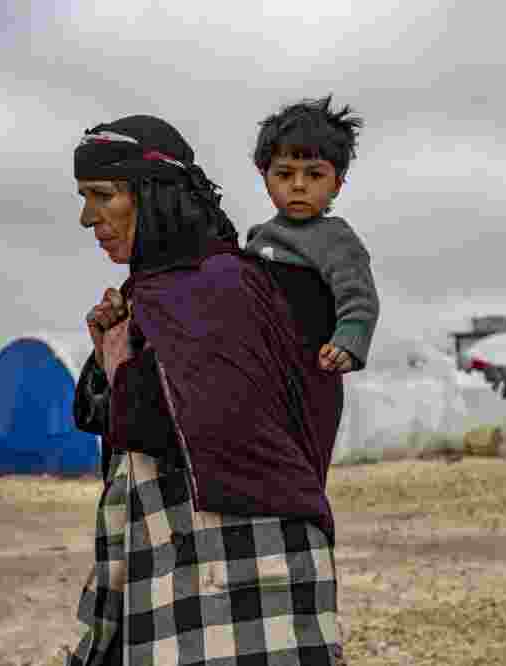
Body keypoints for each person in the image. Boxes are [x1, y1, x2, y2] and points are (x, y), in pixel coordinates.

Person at [67, 114, 347, 665]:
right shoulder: (162, 289)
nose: (86, 217)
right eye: (83, 197)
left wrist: (123, 363)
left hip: (239, 552)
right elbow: (126, 419)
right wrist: (110, 355)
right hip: (164, 540)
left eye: (102, 195)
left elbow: (205, 425)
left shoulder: (222, 286)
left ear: (153, 195)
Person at [245, 95, 380, 374]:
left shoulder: (335, 239)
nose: (298, 186)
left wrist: (346, 344)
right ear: (264, 177)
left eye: (314, 175)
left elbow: (359, 299)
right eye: (284, 174)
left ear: (337, 183)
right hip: (261, 371)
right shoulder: (257, 239)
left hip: (311, 371)